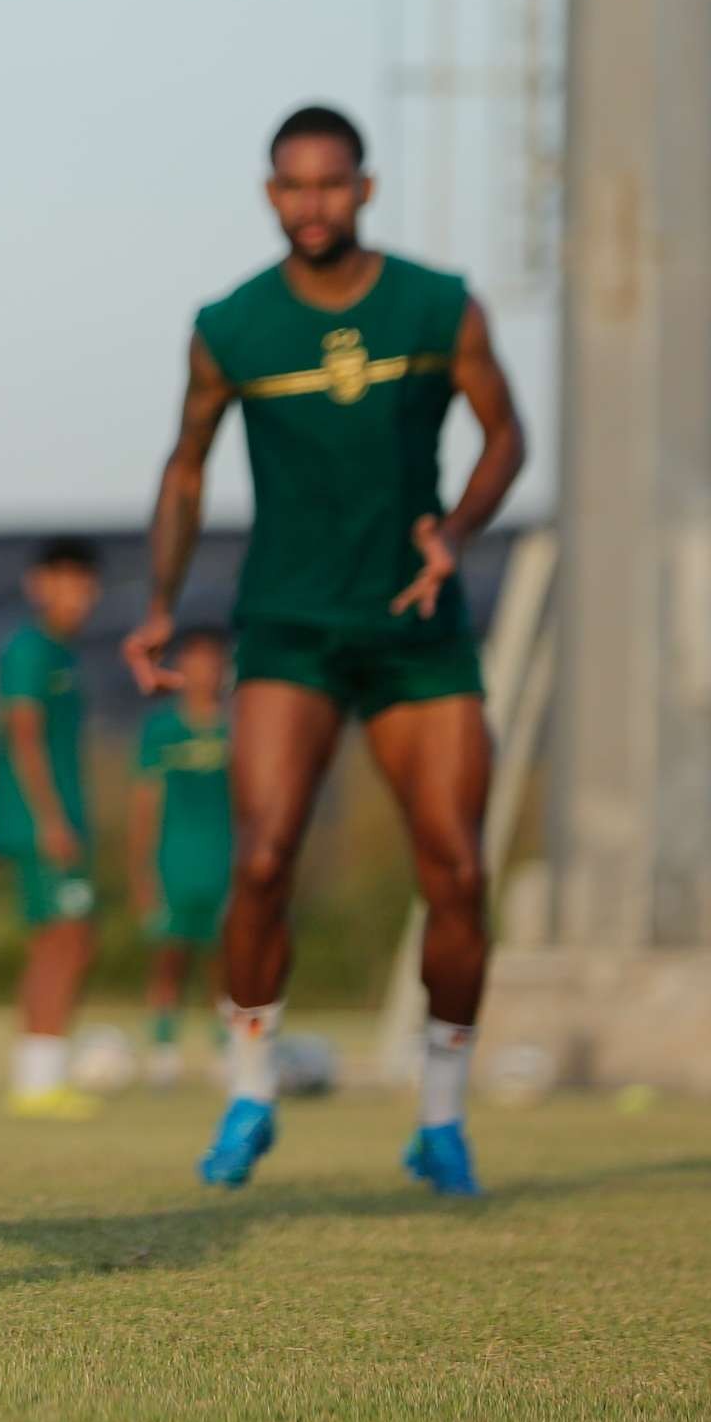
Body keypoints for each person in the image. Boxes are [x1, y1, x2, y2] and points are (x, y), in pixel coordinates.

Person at [125, 104, 524, 1197]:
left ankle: (441, 1119)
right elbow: (187, 466)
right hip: (290, 627)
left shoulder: (439, 305)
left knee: (455, 869)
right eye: (293, 186)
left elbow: (506, 433)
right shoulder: (232, 326)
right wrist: (161, 601)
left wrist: (458, 528)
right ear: (270, 195)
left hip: (414, 628)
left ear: (365, 187)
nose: (313, 203)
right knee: (262, 856)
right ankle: (250, 1088)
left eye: (332, 184)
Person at [0, 537, 105, 1118]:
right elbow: (24, 735)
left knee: (63, 942)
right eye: (65, 581)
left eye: (86, 584)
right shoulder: (29, 651)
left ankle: (39, 1077)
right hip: (41, 823)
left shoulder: (66, 654)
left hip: (62, 819)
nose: (77, 596)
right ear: (39, 585)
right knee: (67, 942)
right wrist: (51, 820)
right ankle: (40, 1082)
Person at [129, 626, 232, 1088]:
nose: (203, 673)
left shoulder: (239, 727)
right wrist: (142, 873)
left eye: (212, 663)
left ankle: (225, 1051)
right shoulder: (162, 729)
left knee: (226, 961)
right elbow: (145, 805)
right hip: (174, 861)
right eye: (194, 662)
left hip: (226, 860)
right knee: (169, 958)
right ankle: (164, 1050)